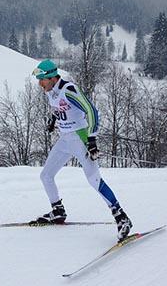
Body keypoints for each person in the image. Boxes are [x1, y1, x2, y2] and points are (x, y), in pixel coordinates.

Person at [30, 59, 132, 241]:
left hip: (80, 139)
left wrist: (92, 139)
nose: (39, 84)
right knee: (46, 175)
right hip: (65, 140)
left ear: (51, 77)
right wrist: (54, 120)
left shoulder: (68, 89)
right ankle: (58, 211)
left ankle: (122, 218)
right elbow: (59, 107)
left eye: (41, 80)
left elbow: (91, 111)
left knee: (94, 180)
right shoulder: (50, 91)